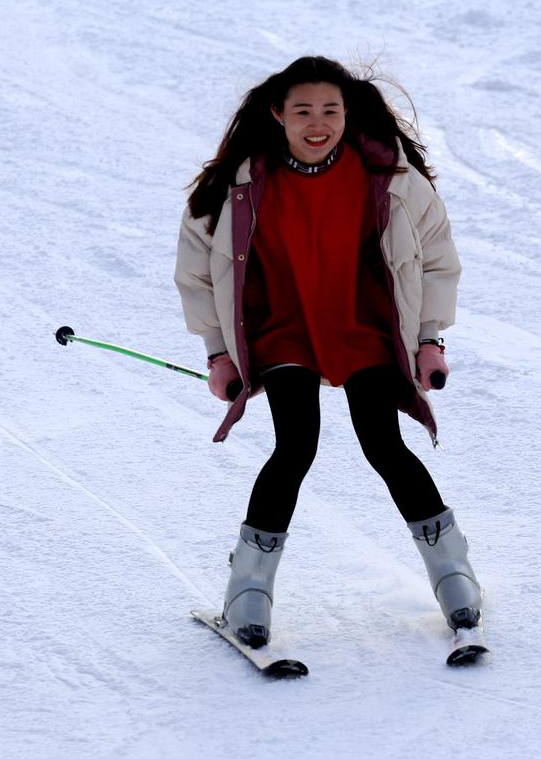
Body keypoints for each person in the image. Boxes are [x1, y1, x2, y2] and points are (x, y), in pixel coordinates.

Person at [175, 56, 485, 664]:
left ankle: (455, 580)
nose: (317, 124)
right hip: (286, 332)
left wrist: (428, 340)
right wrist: (218, 351)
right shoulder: (236, 185)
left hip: (362, 328)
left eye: (330, 110)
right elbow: (196, 271)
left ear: (348, 112)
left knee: (384, 445)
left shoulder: (390, 178)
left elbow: (438, 259)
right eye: (303, 111)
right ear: (277, 114)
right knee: (295, 446)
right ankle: (248, 597)